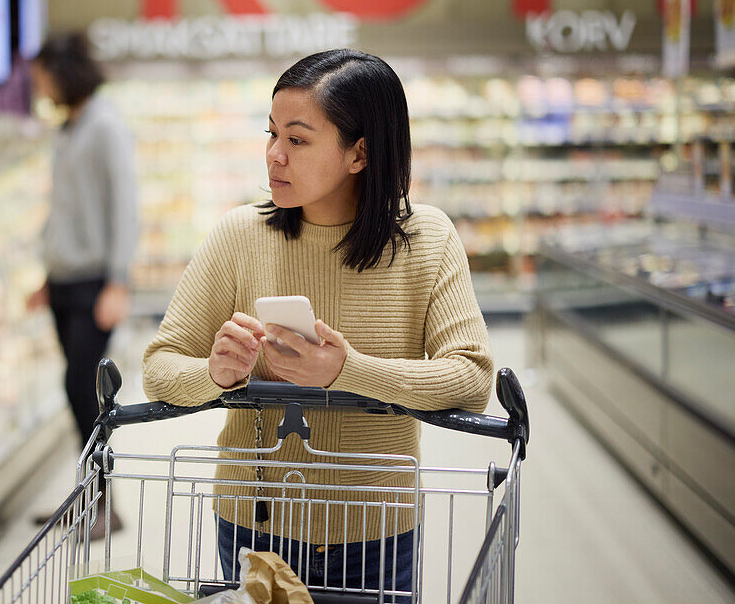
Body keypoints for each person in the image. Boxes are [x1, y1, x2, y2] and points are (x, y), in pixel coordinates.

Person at [142, 49, 493, 595]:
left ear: (360, 153)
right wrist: (215, 373)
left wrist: (347, 371)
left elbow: (472, 380)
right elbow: (159, 368)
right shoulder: (239, 236)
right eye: (272, 133)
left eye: (298, 139)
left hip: (376, 534)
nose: (274, 156)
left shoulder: (428, 240)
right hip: (253, 531)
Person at [26, 32, 136, 538]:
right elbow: (62, 209)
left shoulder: (105, 126)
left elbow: (124, 207)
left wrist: (118, 280)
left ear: (64, 71)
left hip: (94, 283)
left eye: (43, 74)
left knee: (83, 390)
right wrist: (47, 275)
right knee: (74, 390)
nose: (38, 84)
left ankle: (104, 504)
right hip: (64, 282)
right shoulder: (67, 129)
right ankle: (89, 497)